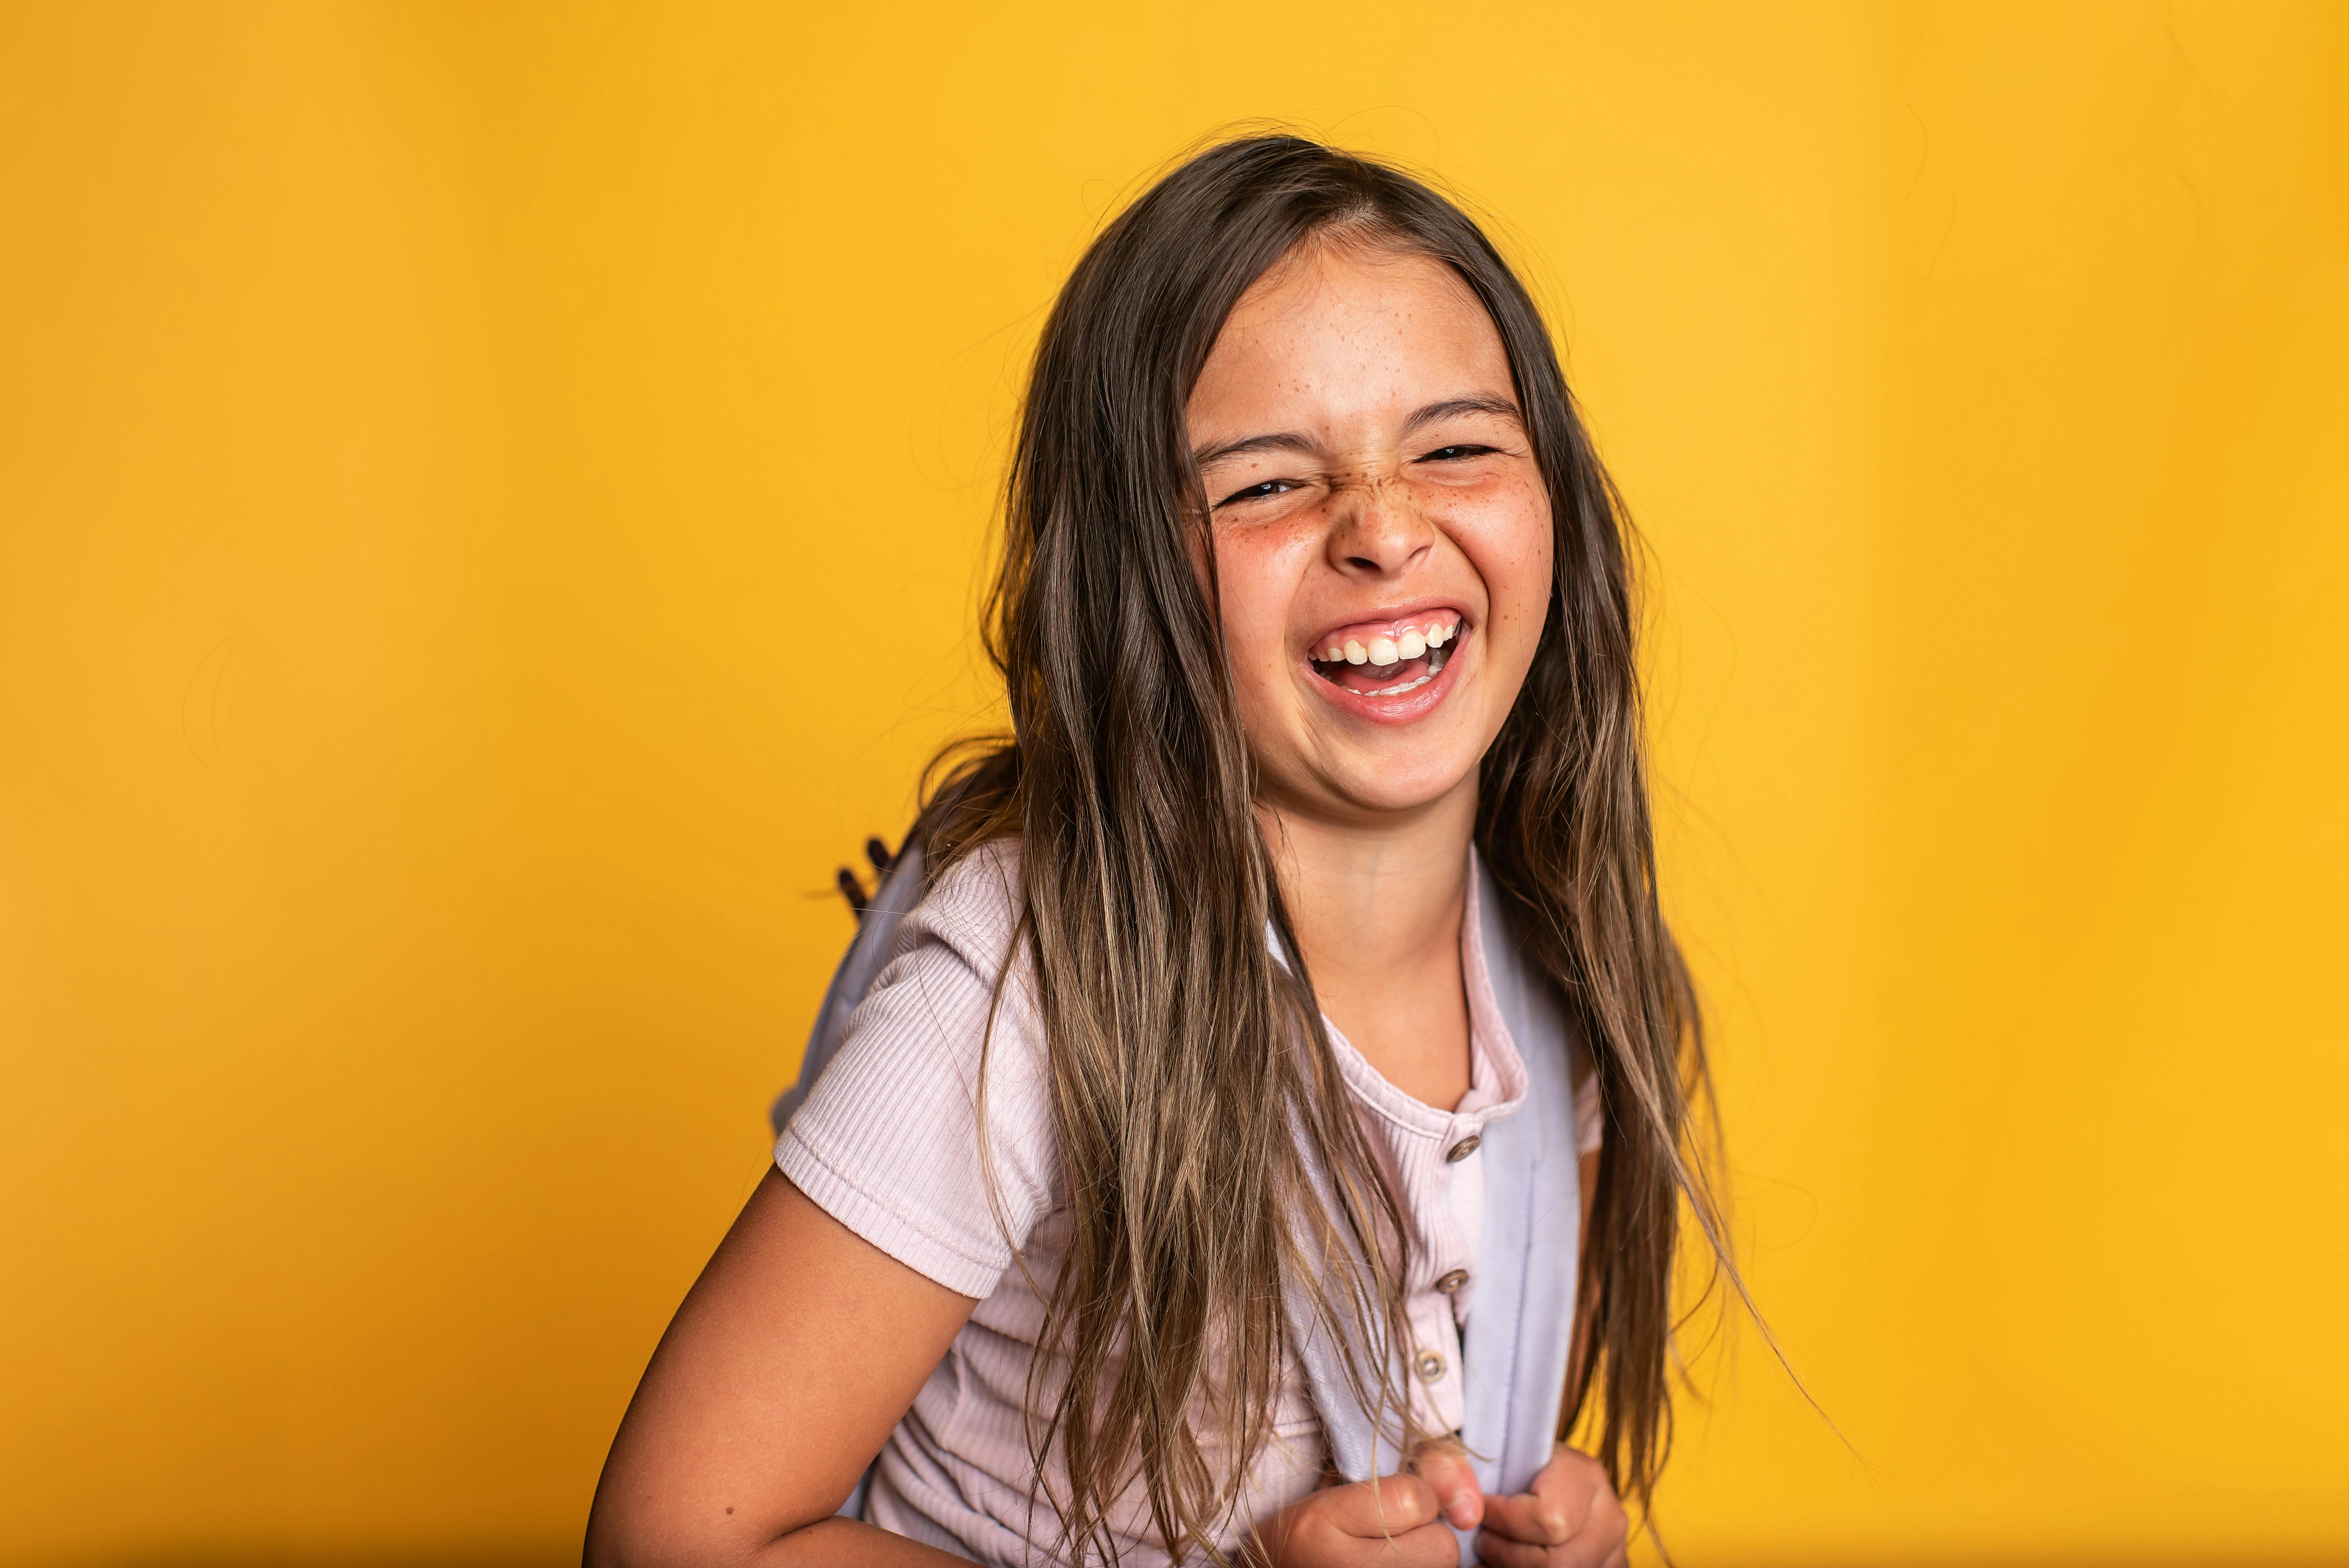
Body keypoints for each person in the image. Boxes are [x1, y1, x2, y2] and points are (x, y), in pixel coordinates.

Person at [584, 134, 1731, 1568]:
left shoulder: (1563, 977)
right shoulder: (1024, 987)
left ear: (1555, 500)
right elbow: (674, 1541)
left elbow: (1439, 1447)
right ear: (1132, 581)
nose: (1383, 527)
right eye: (1265, 486)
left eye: (1454, 448)